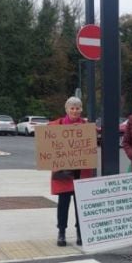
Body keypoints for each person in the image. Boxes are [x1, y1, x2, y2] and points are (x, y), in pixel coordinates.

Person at [50, 96, 95, 247]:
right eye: (72, 108)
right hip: (64, 171)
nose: (75, 111)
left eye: (77, 108)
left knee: (80, 204)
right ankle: (61, 232)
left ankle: (80, 233)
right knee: (63, 203)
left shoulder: (86, 126)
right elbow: (47, 136)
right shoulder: (58, 125)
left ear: (81, 110)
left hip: (81, 172)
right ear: (67, 110)